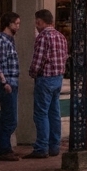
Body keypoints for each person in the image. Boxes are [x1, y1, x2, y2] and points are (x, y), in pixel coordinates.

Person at [26, 9, 67, 159]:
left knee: (41, 113)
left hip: (45, 79)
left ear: (40, 22)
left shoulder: (43, 37)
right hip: (58, 78)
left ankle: (41, 147)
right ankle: (54, 146)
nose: (36, 26)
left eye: (37, 23)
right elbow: (64, 58)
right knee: (54, 113)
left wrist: (32, 73)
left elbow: (38, 60)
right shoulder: (61, 36)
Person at [0, 12, 21, 161]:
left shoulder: (10, 40)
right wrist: (4, 82)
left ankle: (6, 148)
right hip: (6, 83)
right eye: (16, 23)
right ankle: (2, 150)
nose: (18, 26)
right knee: (9, 118)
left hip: (13, 81)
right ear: (8, 24)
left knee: (10, 117)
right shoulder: (1, 40)